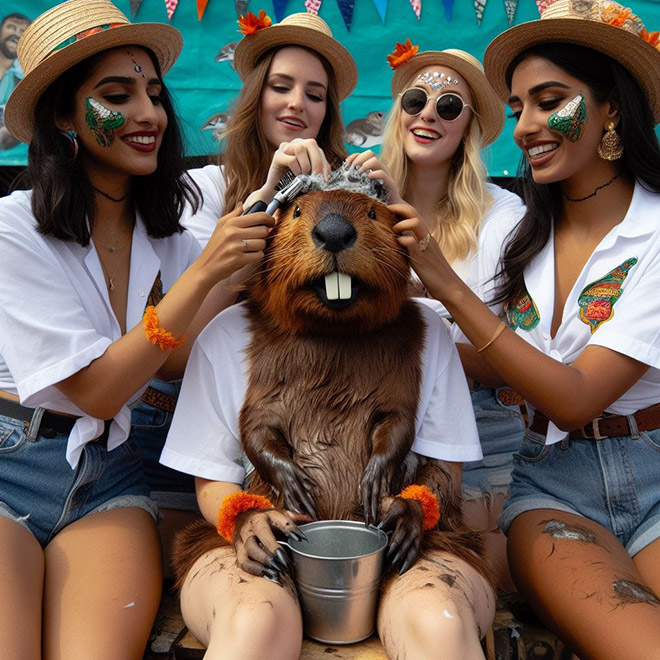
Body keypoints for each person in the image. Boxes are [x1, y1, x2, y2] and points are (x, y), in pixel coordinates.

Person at [0, 0, 273, 657]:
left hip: (108, 476)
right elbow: (96, 390)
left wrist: (241, 267)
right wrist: (206, 273)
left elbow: (173, 360)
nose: (149, 114)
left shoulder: (172, 236)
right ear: (64, 115)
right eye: (116, 95)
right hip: (11, 465)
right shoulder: (14, 228)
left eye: (154, 92)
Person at [390, 0, 660, 657]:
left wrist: (442, 282)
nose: (527, 126)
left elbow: (574, 395)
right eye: (518, 109)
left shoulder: (654, 232)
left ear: (612, 110)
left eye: (549, 101)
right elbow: (508, 365)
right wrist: (399, 306)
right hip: (551, 488)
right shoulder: (525, 237)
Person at [161, 168, 496, 660]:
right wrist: (243, 516)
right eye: (300, 216)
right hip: (261, 553)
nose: (335, 234)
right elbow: (212, 480)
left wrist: (416, 507)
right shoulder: (227, 334)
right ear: (269, 243)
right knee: (254, 621)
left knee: (436, 621)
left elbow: (445, 468)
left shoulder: (425, 332)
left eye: (368, 217)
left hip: (407, 551)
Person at [130, 9, 357, 563]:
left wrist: (329, 198)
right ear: (255, 97)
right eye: (281, 86)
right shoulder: (200, 190)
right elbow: (175, 353)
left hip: (294, 425)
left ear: (328, 112)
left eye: (315, 93)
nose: (297, 104)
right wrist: (270, 192)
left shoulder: (347, 194)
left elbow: (353, 310)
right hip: (170, 418)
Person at [347, 43, 526, 592]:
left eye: (449, 106)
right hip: (361, 430)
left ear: (469, 128)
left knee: (448, 587)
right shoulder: (352, 198)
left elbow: (517, 359)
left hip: (478, 429)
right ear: (398, 112)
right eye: (417, 99)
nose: (428, 113)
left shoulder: (504, 215)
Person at [0, 12, 30, 150]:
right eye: (11, 27)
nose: (16, 34)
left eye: (22, 31)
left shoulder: (23, 80)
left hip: (14, 163)